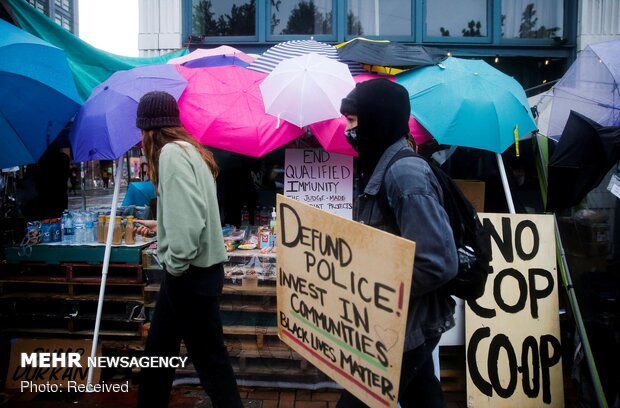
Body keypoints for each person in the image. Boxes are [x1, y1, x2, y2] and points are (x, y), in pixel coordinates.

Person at [337, 79, 458, 408]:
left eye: (351, 120)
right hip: (402, 322)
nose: (346, 129)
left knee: (358, 400)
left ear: (377, 118)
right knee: (424, 397)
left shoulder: (404, 174)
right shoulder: (384, 166)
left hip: (407, 324)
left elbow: (438, 261)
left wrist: (372, 287)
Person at [133, 91, 242, 408]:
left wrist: (176, 265)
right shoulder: (190, 150)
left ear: (150, 129)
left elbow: (191, 223)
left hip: (189, 275)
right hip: (192, 273)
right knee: (160, 349)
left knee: (210, 361)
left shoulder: (171, 154)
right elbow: (196, 212)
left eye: (141, 131)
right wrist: (163, 225)